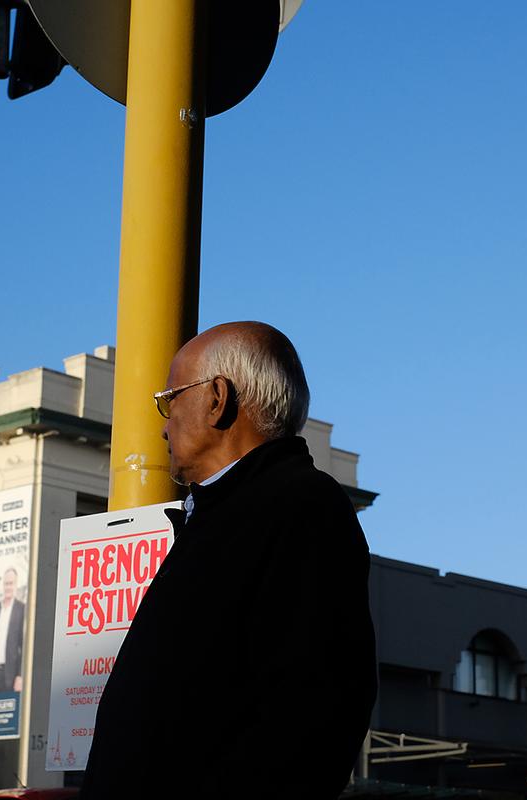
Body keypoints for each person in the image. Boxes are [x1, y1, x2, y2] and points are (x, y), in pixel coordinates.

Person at [81, 321, 377, 799]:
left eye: (169, 399)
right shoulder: (228, 513)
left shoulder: (299, 507)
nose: (162, 424)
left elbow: (317, 707)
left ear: (217, 398)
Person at [0, 567, 26, 693]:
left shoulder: (21, 609)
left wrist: (20, 675)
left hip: (10, 674)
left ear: (15, 585)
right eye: (6, 584)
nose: (8, 587)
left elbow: (23, 645)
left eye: (11, 583)